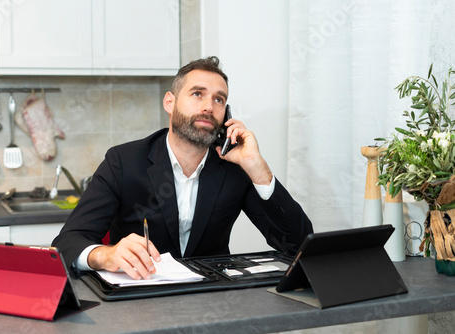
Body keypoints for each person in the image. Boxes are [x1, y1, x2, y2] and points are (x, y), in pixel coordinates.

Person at [52, 56, 313, 281]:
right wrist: (106, 254)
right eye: (197, 93)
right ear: (170, 102)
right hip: (140, 299)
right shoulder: (123, 161)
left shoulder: (234, 167)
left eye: (219, 99)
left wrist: (257, 166)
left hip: (211, 301)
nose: (209, 106)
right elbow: (66, 244)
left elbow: (298, 245)